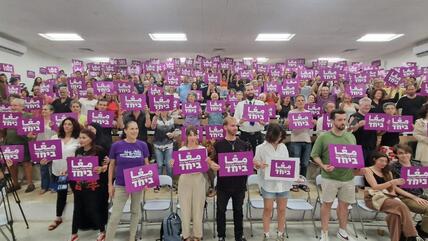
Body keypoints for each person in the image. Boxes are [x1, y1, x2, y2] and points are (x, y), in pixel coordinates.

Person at [311, 109, 358, 241]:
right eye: (339, 120)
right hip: (329, 178)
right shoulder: (324, 137)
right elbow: (314, 155)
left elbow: (353, 156)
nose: (343, 122)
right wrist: (323, 166)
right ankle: (324, 232)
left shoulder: (351, 136)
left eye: (344, 119)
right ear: (332, 121)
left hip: (348, 178)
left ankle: (342, 230)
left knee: (344, 206)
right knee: (327, 205)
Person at [363, 152, 427, 241]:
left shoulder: (388, 172)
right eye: (381, 160)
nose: (383, 163)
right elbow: (375, 187)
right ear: (374, 159)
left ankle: (398, 239)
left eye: (386, 161)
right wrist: (392, 182)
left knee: (394, 215)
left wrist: (394, 195)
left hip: (388, 196)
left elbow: (392, 189)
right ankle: (412, 235)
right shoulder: (367, 170)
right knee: (401, 206)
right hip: (373, 197)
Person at [105, 120, 150, 241]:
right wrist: (110, 184)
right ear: (125, 130)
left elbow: (146, 165)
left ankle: (132, 237)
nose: (134, 131)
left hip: (137, 183)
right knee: (115, 215)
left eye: (136, 128)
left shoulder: (143, 145)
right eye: (131, 129)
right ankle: (108, 238)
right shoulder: (116, 146)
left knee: (135, 212)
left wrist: (147, 181)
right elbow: (111, 165)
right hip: (121, 184)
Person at [208, 116, 251, 241]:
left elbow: (249, 161)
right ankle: (221, 235)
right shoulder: (218, 144)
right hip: (223, 186)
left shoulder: (244, 144)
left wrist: (256, 163)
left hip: (239, 185)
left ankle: (239, 235)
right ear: (225, 127)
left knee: (238, 211)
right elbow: (210, 159)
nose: (235, 128)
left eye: (236, 125)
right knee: (221, 211)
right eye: (232, 125)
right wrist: (211, 164)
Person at [253, 123, 292, 241]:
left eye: (281, 136)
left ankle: (280, 233)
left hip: (283, 183)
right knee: (268, 209)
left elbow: (287, 164)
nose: (279, 139)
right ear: (270, 135)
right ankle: (266, 234)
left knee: (282, 209)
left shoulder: (283, 147)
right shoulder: (260, 148)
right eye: (277, 136)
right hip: (268, 184)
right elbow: (255, 163)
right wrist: (259, 165)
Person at [69, 128, 109, 241]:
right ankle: (73, 234)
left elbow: (107, 166)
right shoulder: (78, 151)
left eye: (84, 137)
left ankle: (102, 231)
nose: (81, 140)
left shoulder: (99, 150)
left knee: (93, 208)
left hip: (94, 186)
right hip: (79, 185)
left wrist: (101, 168)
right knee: (77, 209)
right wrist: (68, 170)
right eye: (80, 137)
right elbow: (75, 166)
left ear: (91, 139)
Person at [172, 126, 208, 241]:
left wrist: (208, 163)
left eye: (194, 134)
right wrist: (173, 163)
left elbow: (206, 167)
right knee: (185, 208)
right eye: (190, 135)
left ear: (198, 136)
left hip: (199, 179)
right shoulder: (182, 150)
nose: (192, 137)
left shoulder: (203, 149)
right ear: (186, 137)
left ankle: (198, 235)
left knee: (198, 207)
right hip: (185, 180)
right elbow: (177, 169)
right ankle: (186, 235)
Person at [48, 117, 81, 231]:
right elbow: (49, 153)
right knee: (61, 194)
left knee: (78, 194)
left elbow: (81, 155)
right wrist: (45, 160)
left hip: (73, 172)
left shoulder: (78, 140)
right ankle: (58, 217)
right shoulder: (54, 138)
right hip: (59, 172)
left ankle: (81, 218)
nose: (66, 126)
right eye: (65, 124)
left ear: (74, 126)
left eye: (69, 124)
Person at [391, 144, 428, 238]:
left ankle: (421, 226)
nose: (404, 155)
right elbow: (394, 187)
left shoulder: (417, 165)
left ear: (410, 153)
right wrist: (414, 197)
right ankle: (423, 232)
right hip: (403, 197)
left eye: (407, 153)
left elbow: (423, 180)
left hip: (419, 194)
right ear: (396, 155)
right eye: (401, 153)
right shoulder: (393, 167)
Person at [0, 98, 36, 192]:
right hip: (10, 143)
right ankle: (15, 184)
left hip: (23, 142)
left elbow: (33, 129)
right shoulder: (7, 116)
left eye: (15, 105)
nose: (13, 107)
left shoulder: (28, 115)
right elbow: (3, 131)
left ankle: (30, 184)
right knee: (11, 164)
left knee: (26, 163)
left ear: (22, 106)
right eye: (12, 105)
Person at [286, 95, 314, 185]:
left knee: (305, 164)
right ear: (295, 103)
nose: (301, 102)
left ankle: (303, 183)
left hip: (307, 140)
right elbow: (289, 127)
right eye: (298, 100)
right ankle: (294, 183)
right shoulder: (291, 112)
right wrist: (287, 124)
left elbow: (310, 128)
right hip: (295, 140)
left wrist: (313, 123)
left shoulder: (308, 112)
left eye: (302, 100)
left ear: (305, 102)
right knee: (296, 163)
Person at [233, 83, 265, 153]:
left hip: (258, 135)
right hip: (244, 136)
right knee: (245, 157)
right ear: (245, 92)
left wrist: (263, 122)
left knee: (258, 158)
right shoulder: (240, 105)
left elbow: (266, 120)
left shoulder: (261, 103)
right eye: (248, 90)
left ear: (254, 90)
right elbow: (235, 120)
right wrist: (240, 121)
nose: (250, 91)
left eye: (251, 89)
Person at [151, 110, 176, 192]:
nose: (164, 111)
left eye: (166, 109)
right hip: (158, 145)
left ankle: (170, 183)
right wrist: (155, 117)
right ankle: (158, 184)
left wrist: (173, 134)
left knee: (169, 165)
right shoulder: (156, 118)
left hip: (169, 144)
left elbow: (173, 130)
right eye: (162, 109)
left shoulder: (171, 118)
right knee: (159, 165)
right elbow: (153, 127)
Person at [348, 97, 378, 166]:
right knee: (359, 167)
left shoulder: (372, 117)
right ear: (360, 105)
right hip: (360, 147)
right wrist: (358, 125)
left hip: (372, 146)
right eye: (365, 105)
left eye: (369, 105)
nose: (367, 107)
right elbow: (350, 129)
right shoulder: (355, 116)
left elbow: (378, 133)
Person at [37, 104, 56, 194]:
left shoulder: (56, 121)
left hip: (54, 147)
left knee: (53, 168)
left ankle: (53, 186)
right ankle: (44, 186)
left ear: (51, 111)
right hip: (41, 147)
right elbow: (32, 135)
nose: (43, 111)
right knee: (43, 168)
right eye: (42, 109)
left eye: (45, 109)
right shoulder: (37, 122)